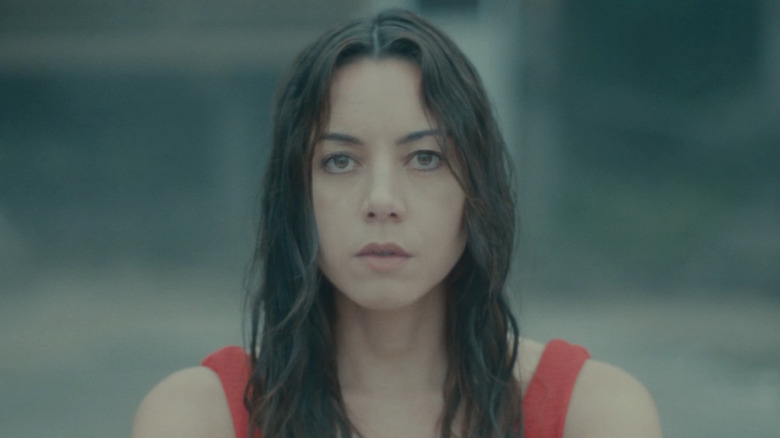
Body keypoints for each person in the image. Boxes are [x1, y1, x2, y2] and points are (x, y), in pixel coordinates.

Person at [131, 9, 661, 438]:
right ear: (294, 195)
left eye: (426, 158)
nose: (382, 201)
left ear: (477, 187)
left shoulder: (589, 414)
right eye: (340, 161)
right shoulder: (201, 418)